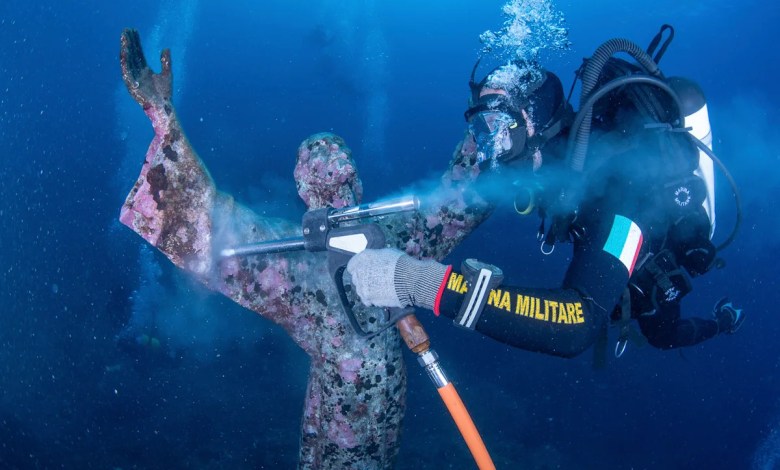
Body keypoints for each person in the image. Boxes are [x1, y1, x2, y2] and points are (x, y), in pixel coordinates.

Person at [118, 29, 493, 468]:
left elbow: (206, 229)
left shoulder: (293, 255)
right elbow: (459, 201)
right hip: (373, 403)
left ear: (302, 187)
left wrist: (163, 116)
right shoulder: (385, 231)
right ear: (353, 177)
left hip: (347, 416)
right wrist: (490, 131)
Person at [347, 30, 745, 359]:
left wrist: (415, 280)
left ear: (537, 123)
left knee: (661, 332)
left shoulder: (623, 193)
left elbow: (576, 323)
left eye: (500, 128)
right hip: (596, 229)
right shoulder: (553, 163)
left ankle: (724, 321)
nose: (488, 149)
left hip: (646, 258)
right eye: (482, 130)